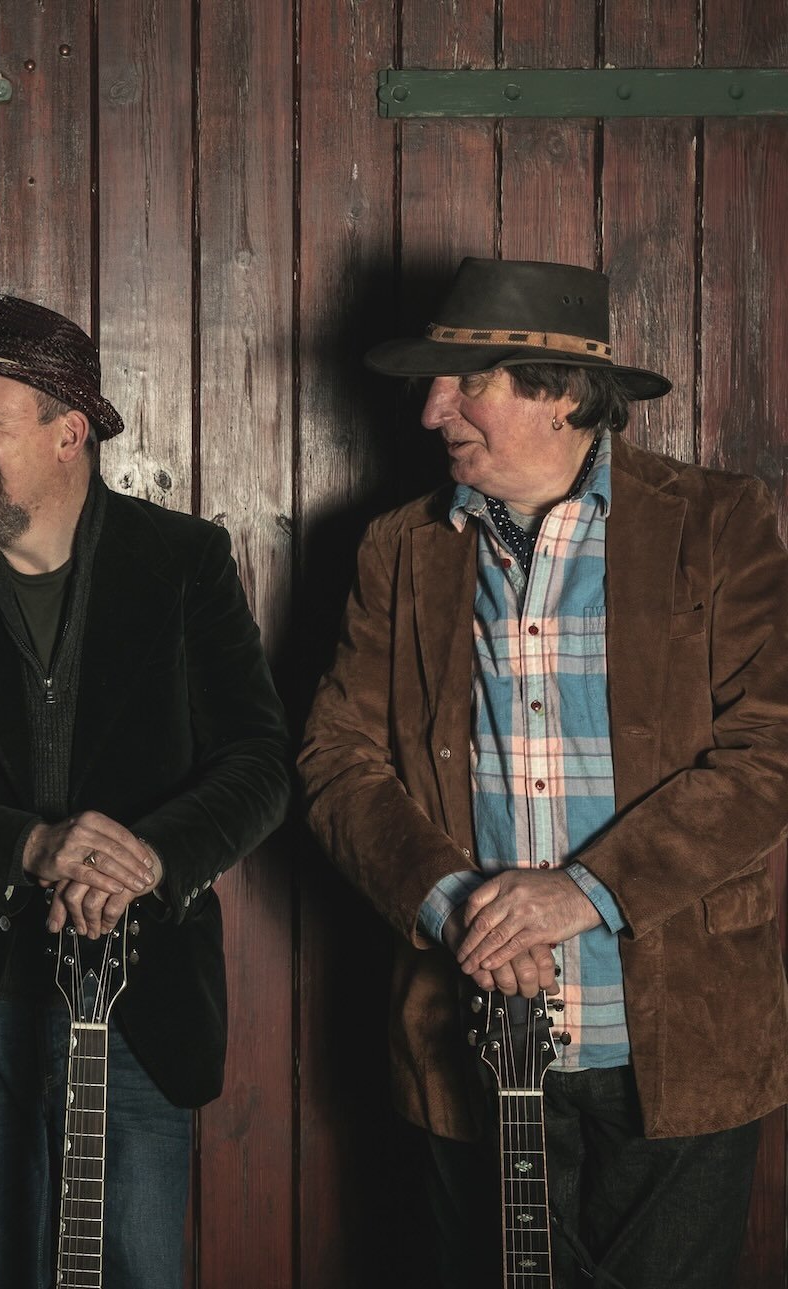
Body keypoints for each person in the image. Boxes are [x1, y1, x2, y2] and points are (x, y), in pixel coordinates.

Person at [300, 256, 788, 1288]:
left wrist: (580, 892)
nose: (431, 409)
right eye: (432, 383)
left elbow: (768, 751)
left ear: (560, 392)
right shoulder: (397, 549)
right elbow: (334, 761)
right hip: (461, 1036)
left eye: (463, 380)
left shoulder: (715, 522)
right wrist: (457, 906)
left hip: (676, 1037)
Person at [0, 294, 291, 1288]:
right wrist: (29, 849)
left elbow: (260, 761)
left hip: (138, 993)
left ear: (66, 432)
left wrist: (152, 857)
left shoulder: (182, 562)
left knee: (132, 1267)